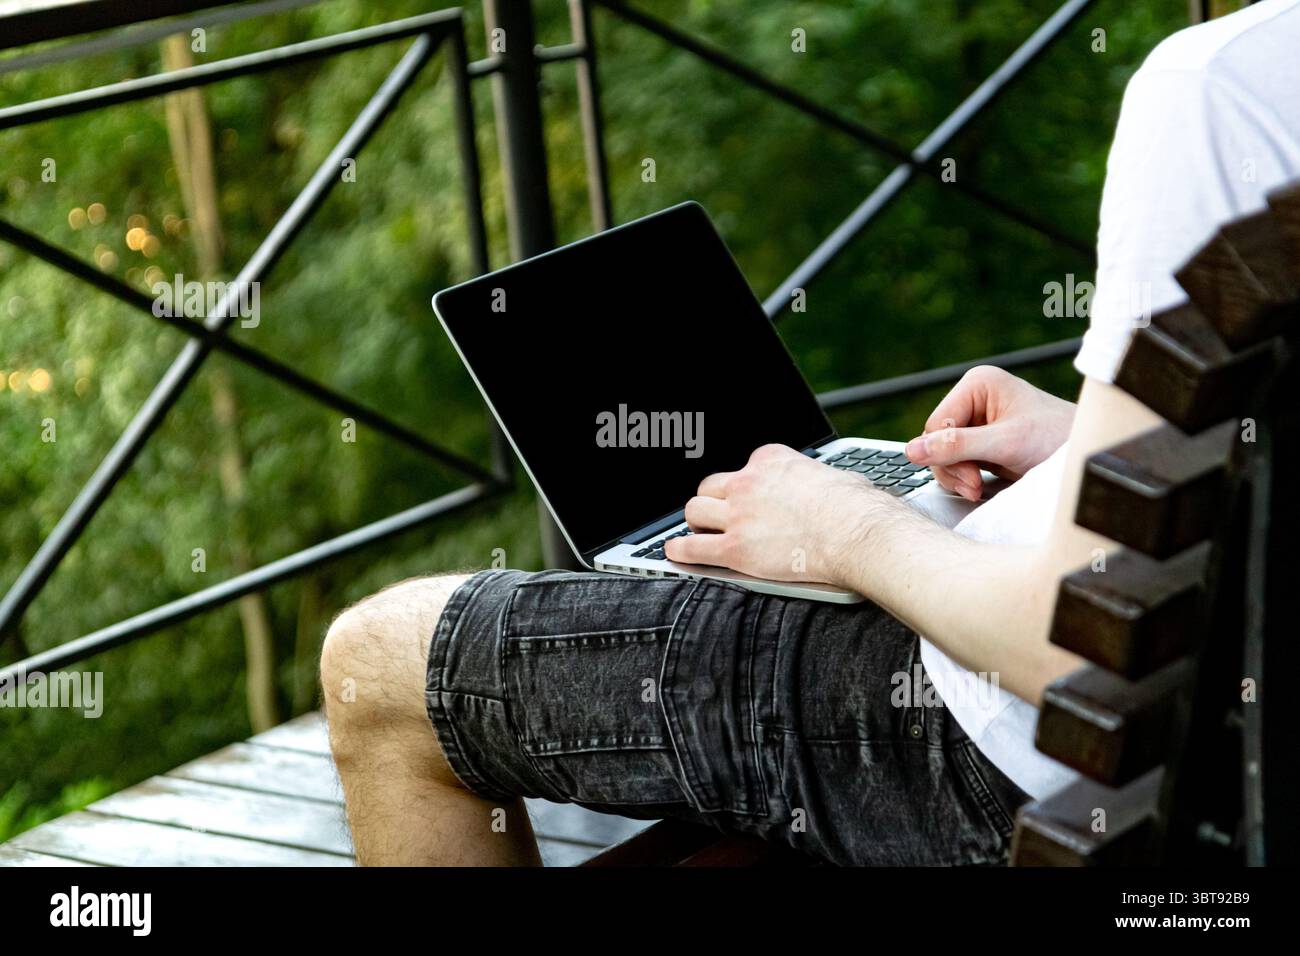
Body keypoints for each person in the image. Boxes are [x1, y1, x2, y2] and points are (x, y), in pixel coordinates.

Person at [319, 0, 1300, 865]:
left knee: (374, 661)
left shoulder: (1225, 83)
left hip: (1037, 755)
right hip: (1200, 674)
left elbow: (1077, 653)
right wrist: (1100, 441)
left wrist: (844, 528)